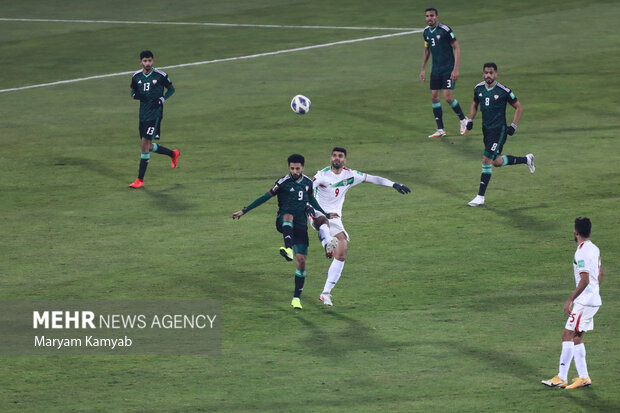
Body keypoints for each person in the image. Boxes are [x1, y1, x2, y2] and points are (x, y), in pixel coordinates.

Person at [232, 154, 339, 309]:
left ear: (302, 168)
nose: (294, 171)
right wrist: (244, 210)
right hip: (283, 221)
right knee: (288, 216)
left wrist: (325, 213)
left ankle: (296, 298)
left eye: (297, 168)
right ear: (289, 168)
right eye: (292, 168)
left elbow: (312, 200)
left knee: (301, 262)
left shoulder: (308, 183)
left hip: (301, 225)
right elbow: (264, 197)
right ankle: (288, 249)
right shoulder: (283, 182)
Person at [309, 147, 410, 306]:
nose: (337, 159)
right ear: (331, 158)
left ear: (345, 160)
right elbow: (307, 189)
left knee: (342, 252)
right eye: (334, 156)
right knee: (323, 221)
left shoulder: (350, 175)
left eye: (340, 156)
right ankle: (327, 244)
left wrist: (394, 184)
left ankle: (326, 292)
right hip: (317, 211)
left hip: (335, 218)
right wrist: (307, 207)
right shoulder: (321, 175)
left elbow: (373, 178)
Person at [542, 217, 603, 389]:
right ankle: (584, 377)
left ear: (576, 232)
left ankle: (561, 377)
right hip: (593, 300)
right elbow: (600, 273)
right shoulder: (594, 248)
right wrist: (594, 291)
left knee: (567, 336)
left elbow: (584, 280)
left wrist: (570, 300)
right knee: (577, 338)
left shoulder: (581, 252)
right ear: (590, 232)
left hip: (584, 302)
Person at [465, 62, 535, 206]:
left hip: (499, 130)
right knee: (496, 162)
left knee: (486, 160)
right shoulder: (478, 88)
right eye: (486, 73)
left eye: (491, 73)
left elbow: (518, 107)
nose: (488, 75)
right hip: (486, 130)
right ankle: (526, 159)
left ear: (496, 74)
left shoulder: (504, 91)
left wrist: (513, 125)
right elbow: (474, 103)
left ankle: (480, 197)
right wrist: (470, 119)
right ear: (483, 74)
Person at [129, 50, 180, 188]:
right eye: (145, 61)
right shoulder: (136, 76)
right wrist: (138, 96)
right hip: (143, 115)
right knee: (147, 146)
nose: (148, 63)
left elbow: (171, 90)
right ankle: (172, 153)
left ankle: (140, 180)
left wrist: (162, 99)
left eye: (150, 61)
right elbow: (132, 92)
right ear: (141, 62)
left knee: (144, 146)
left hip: (155, 114)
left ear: (153, 61)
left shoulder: (161, 75)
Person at [419, 7, 469, 138]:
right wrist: (423, 69)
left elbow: (457, 48)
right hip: (435, 70)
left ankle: (464, 120)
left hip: (448, 69)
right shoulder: (425, 32)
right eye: (427, 16)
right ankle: (440, 129)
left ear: (437, 17)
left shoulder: (445, 30)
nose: (429, 18)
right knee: (434, 97)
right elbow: (427, 50)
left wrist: (455, 69)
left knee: (447, 97)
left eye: (431, 16)